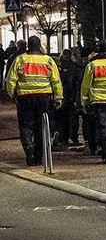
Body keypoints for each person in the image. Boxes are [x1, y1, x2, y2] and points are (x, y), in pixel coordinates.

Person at [6, 35, 63, 166]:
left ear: (28, 46)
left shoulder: (20, 59)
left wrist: (12, 94)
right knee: (41, 127)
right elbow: (56, 81)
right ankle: (38, 157)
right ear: (39, 46)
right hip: (44, 97)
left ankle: (29, 148)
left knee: (25, 126)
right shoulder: (48, 60)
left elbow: (11, 80)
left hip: (25, 98)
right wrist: (58, 98)